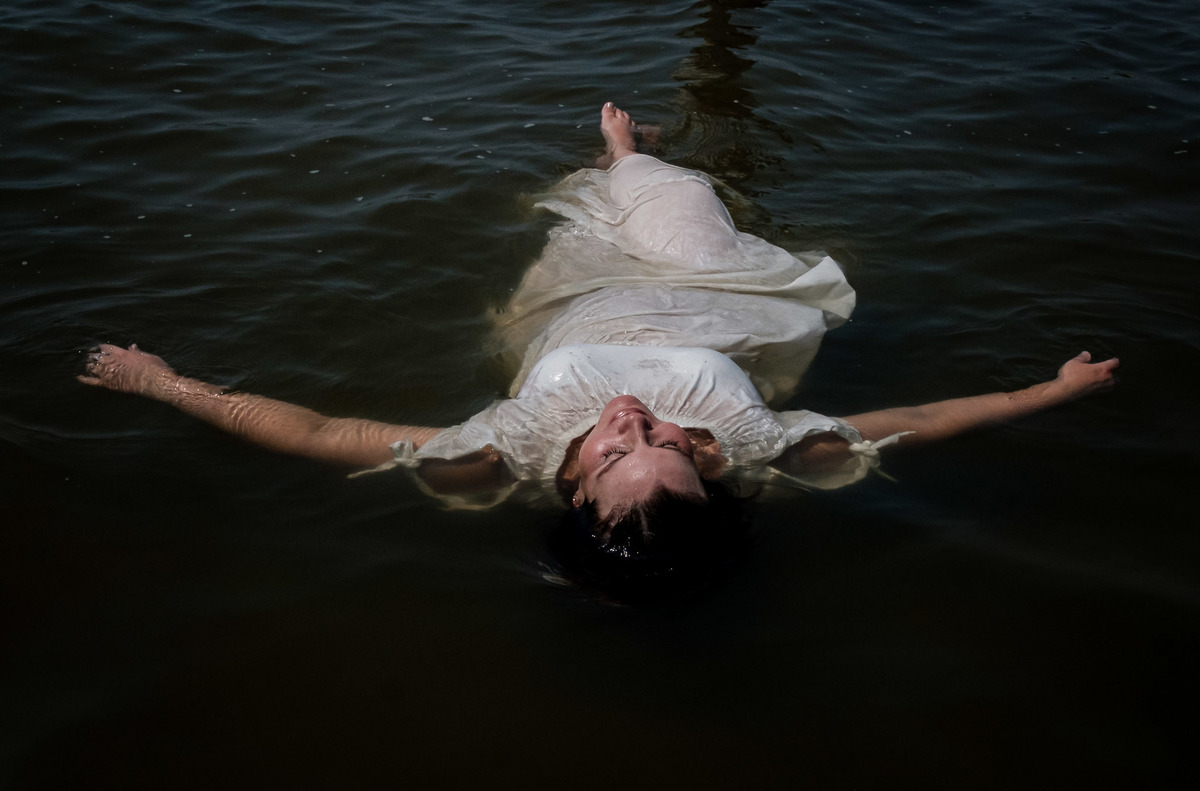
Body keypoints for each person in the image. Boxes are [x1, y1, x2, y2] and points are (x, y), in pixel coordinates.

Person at [80, 103, 1119, 587]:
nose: (630, 424)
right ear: (712, 474)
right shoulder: (768, 449)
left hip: (557, 314)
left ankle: (619, 164)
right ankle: (632, 152)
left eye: (614, 453)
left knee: (575, 229)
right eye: (668, 441)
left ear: (575, 493)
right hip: (707, 296)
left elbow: (317, 429)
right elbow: (929, 420)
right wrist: (1051, 391)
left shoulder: (499, 453)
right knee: (678, 202)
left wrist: (167, 384)